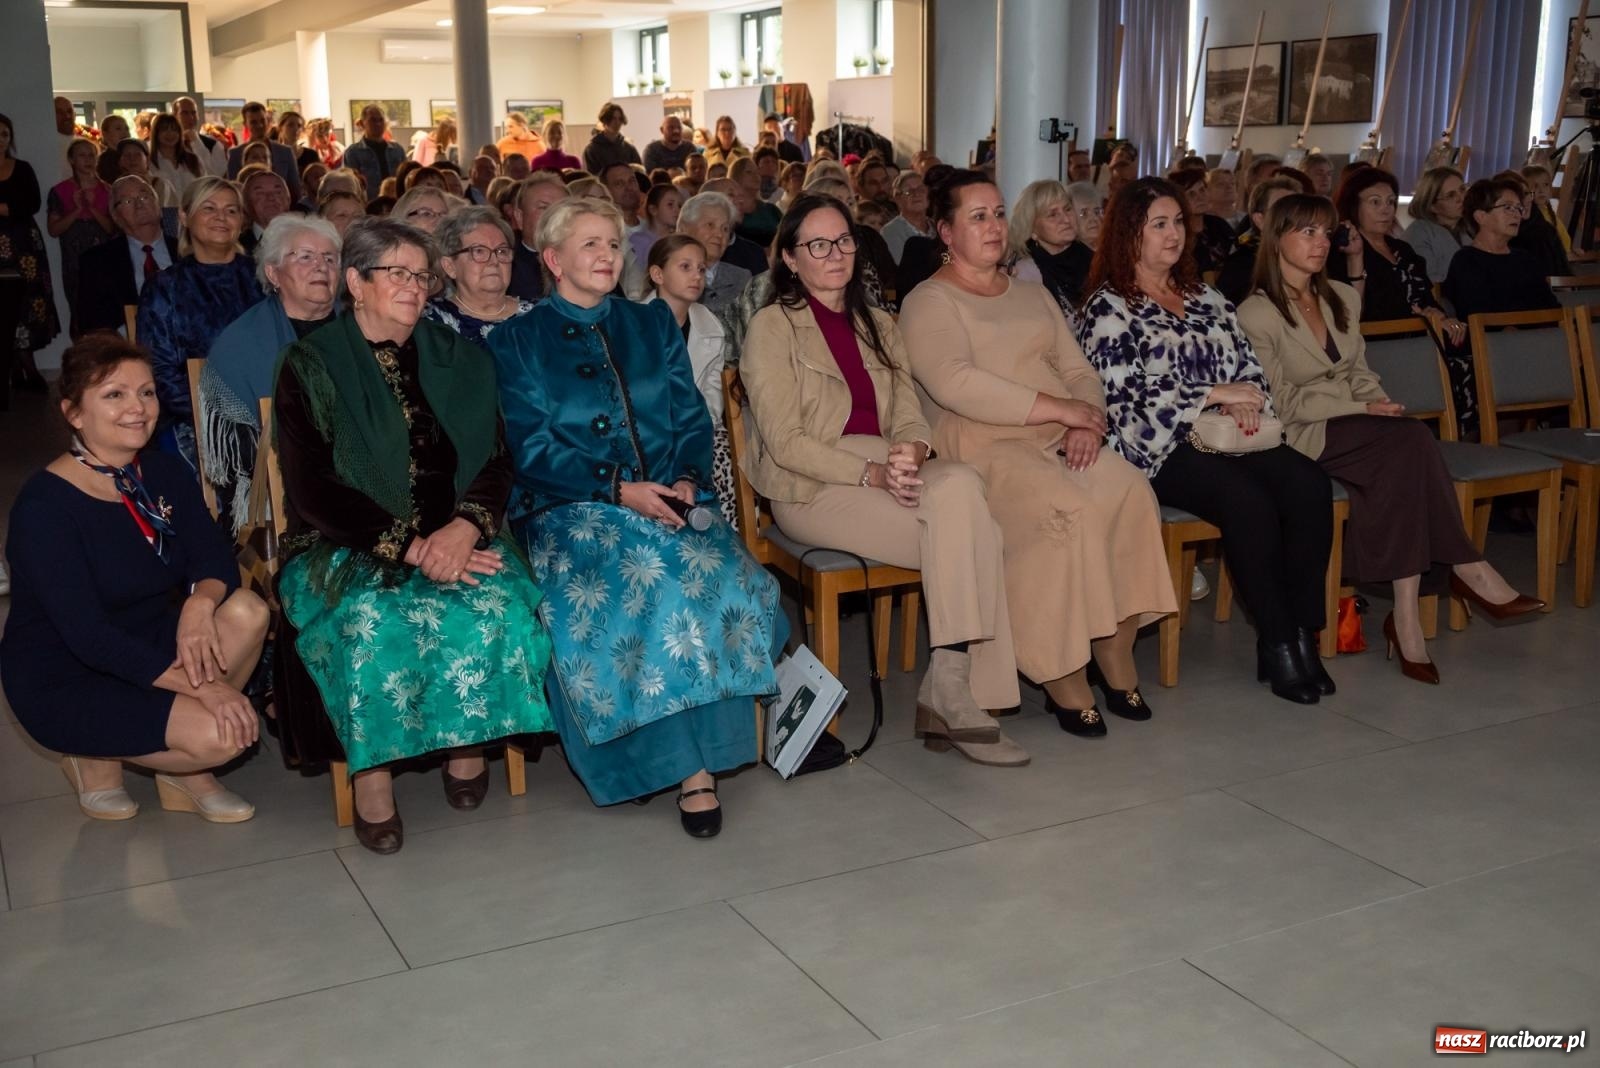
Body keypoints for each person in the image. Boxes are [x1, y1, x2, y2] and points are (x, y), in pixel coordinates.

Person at [489, 197, 782, 836]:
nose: (605, 255)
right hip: (570, 511)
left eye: (613, 244)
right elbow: (528, 447)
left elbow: (688, 417)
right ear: (552, 259)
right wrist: (619, 490)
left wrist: (684, 479)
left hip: (670, 501)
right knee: (653, 584)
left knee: (729, 580)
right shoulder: (517, 339)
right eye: (588, 244)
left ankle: (704, 754)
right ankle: (686, 771)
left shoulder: (648, 325)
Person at [274, 217, 553, 854]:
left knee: (499, 606)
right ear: (356, 282)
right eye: (395, 272)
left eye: (420, 274)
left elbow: (497, 458)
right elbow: (312, 489)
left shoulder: (462, 358)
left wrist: (464, 528)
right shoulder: (311, 365)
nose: (412, 285)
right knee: (371, 618)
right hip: (346, 541)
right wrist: (409, 544)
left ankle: (466, 741)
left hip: (457, 531)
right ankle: (372, 777)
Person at [740, 192, 1027, 764]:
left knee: (964, 499)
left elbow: (908, 410)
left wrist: (914, 449)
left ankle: (950, 684)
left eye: (843, 240)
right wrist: (871, 472)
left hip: (885, 470)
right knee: (978, 532)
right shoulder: (773, 328)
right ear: (790, 259)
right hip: (814, 485)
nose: (834, 254)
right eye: (817, 244)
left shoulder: (878, 321)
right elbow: (784, 442)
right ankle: (957, 693)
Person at [903, 171, 1175, 736]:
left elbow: (1080, 368)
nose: (994, 226)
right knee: (1065, 511)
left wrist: (1087, 421)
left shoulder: (1031, 292)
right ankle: (1059, 669)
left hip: (1056, 433)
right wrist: (1059, 408)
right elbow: (955, 382)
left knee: (1128, 489)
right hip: (983, 445)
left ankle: (1113, 643)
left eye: (999, 213)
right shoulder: (929, 301)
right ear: (946, 232)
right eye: (977, 216)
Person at [1239, 193, 1544, 683]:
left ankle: (1407, 617)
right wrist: (1363, 408)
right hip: (1301, 433)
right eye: (1307, 233)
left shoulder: (1342, 295)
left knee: (1405, 450)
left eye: (1326, 233)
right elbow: (1282, 403)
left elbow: (1360, 371)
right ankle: (1467, 570)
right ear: (1277, 240)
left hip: (1358, 425)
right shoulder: (1257, 314)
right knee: (1409, 443)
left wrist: (1375, 402)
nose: (1322, 244)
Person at [1077, 177, 1336, 704]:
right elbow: (1123, 396)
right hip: (1158, 446)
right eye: (1159, 225)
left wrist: (1246, 403)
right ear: (1130, 233)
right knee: (1247, 501)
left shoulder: (1205, 295)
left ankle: (1305, 633)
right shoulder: (1109, 307)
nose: (1174, 234)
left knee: (1309, 483)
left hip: (1230, 435)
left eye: (1178, 222)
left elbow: (1251, 368)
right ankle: (1279, 640)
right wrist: (1211, 393)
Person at [1, 334, 268, 823]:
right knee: (218, 735)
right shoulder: (45, 508)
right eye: (114, 395)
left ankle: (179, 771)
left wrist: (197, 605)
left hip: (148, 635)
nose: (138, 408)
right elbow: (88, 637)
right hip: (69, 672)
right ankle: (94, 755)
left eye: (146, 392)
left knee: (248, 610)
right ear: (73, 413)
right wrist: (204, 688)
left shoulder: (161, 470)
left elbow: (215, 560)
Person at [200, 213, 339, 532]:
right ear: (274, 273)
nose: (321, 266)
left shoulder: (363, 329)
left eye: (330, 258)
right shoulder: (241, 344)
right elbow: (237, 459)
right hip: (280, 499)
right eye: (305, 256)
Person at [137, 175, 264, 470]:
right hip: (194, 417)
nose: (222, 217)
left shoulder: (266, 279)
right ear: (184, 215)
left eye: (231, 210)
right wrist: (220, 415)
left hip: (268, 411)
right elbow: (159, 370)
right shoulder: (164, 287)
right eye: (209, 208)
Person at [1440, 177, 1560, 435]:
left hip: (1534, 346)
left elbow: (1552, 309)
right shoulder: (1466, 261)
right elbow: (1478, 314)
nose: (1516, 213)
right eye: (1507, 207)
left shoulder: (1525, 259)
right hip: (1492, 351)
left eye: (1518, 208)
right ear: (1481, 216)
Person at [645, 234, 737, 525]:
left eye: (701, 268)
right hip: (650, 429)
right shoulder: (635, 323)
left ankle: (722, 531)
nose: (697, 276)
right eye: (685, 267)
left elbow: (711, 398)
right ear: (657, 274)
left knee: (722, 449)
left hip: (695, 428)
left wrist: (694, 428)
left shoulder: (711, 326)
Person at [1329, 168, 1462, 347]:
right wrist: (1417, 317)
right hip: (1378, 347)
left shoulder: (1403, 250)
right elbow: (1352, 315)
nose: (1386, 210)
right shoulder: (1342, 252)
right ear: (1354, 206)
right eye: (1375, 202)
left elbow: (1427, 299)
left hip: (1422, 342)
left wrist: (1437, 314)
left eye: (1391, 202)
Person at [0, 112, 62, 390]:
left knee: (29, 299)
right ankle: (15, 366)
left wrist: (6, 209)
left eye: (4, 134)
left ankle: (27, 365)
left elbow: (33, 202)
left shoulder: (22, 167)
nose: (0, 140)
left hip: (24, 244)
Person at [76, 176, 177, 336]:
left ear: (158, 205)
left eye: (144, 196)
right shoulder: (96, 262)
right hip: (126, 352)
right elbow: (89, 325)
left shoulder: (186, 252)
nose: (139, 205)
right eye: (127, 201)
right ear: (115, 216)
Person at [424, 204, 532, 348]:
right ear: (450, 266)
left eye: (501, 251)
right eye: (479, 251)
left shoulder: (538, 315)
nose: (494, 261)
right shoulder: (432, 321)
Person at [48, 137, 117, 336]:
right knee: (77, 308)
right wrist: (77, 210)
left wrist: (92, 208)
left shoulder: (108, 190)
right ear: (71, 160)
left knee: (104, 307)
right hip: (74, 257)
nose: (87, 160)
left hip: (102, 255)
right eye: (82, 155)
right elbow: (54, 230)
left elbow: (111, 229)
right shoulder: (60, 191)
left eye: (91, 155)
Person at [1008, 178, 1092, 322]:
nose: (1066, 219)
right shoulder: (1027, 274)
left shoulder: (1090, 257)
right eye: (1052, 214)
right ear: (1032, 229)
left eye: (1067, 209)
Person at [1217, 175, 1303, 306]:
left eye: (1297, 209)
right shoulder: (1242, 266)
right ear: (1260, 220)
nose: (1292, 217)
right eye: (1281, 209)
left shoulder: (1310, 256)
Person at [677, 190, 750, 314]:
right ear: (684, 229)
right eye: (710, 225)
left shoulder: (742, 279)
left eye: (725, 229)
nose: (719, 234)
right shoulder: (668, 275)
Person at [507, 173, 569, 302]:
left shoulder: (587, 258)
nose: (554, 215)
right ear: (519, 217)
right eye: (544, 207)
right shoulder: (505, 265)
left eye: (561, 209)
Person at [1403, 166, 1467, 284]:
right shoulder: (1419, 233)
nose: (1461, 198)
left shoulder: (1469, 226)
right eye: (1451, 195)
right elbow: (1430, 281)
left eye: (1462, 189)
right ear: (1432, 205)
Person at [225, 102, 301, 202]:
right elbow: (233, 190)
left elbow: (295, 189)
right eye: (253, 122)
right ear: (245, 124)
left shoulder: (285, 152)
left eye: (262, 120)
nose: (260, 125)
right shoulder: (235, 154)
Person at [1169, 167, 1235, 276]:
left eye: (1202, 190)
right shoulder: (1176, 234)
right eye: (1191, 194)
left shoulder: (1218, 224)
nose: (1200, 197)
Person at [342, 105, 406, 198]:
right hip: (369, 204)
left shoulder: (397, 150)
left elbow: (405, 177)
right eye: (373, 120)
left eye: (381, 120)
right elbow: (350, 183)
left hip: (397, 202)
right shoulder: (353, 153)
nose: (378, 124)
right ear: (363, 123)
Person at [149, 113, 205, 203]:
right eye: (164, 130)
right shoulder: (149, 163)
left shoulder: (193, 159)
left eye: (174, 130)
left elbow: (204, 188)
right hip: (164, 214)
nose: (170, 134)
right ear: (156, 133)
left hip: (192, 212)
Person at [881, 170, 931, 264]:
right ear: (898, 199)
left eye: (921, 189)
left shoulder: (938, 227)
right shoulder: (890, 232)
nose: (916, 194)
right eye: (909, 191)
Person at [238, 169, 292, 254]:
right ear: (245, 202)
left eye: (277, 192)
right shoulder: (235, 247)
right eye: (260, 193)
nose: (270, 198)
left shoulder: (308, 238)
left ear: (288, 199)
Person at [173, 96, 229, 175]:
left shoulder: (212, 144)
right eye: (185, 113)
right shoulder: (167, 145)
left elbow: (215, 174)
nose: (191, 117)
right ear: (175, 116)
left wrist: (196, 142)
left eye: (193, 113)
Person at [583, 103, 642, 175]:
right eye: (613, 118)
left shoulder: (629, 149)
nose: (617, 122)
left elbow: (640, 174)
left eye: (620, 119)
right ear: (605, 120)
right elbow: (592, 178)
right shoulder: (591, 150)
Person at [631, 182, 681, 267]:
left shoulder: (679, 240)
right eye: (670, 204)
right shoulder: (638, 241)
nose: (677, 210)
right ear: (653, 209)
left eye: (679, 205)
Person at [1064, 181, 1105, 251]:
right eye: (1084, 213)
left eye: (1097, 211)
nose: (1093, 219)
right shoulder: (1069, 258)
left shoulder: (1113, 249)